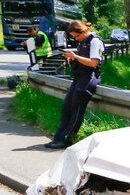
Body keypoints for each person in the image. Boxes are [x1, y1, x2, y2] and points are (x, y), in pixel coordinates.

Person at [44, 20, 104, 149]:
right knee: (67, 108)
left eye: (77, 36)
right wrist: (71, 58)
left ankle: (67, 139)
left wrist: (76, 57)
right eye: (74, 37)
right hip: (79, 77)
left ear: (83, 31)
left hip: (89, 78)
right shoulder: (83, 41)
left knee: (76, 110)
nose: (76, 39)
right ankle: (58, 138)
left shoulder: (95, 41)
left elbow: (93, 63)